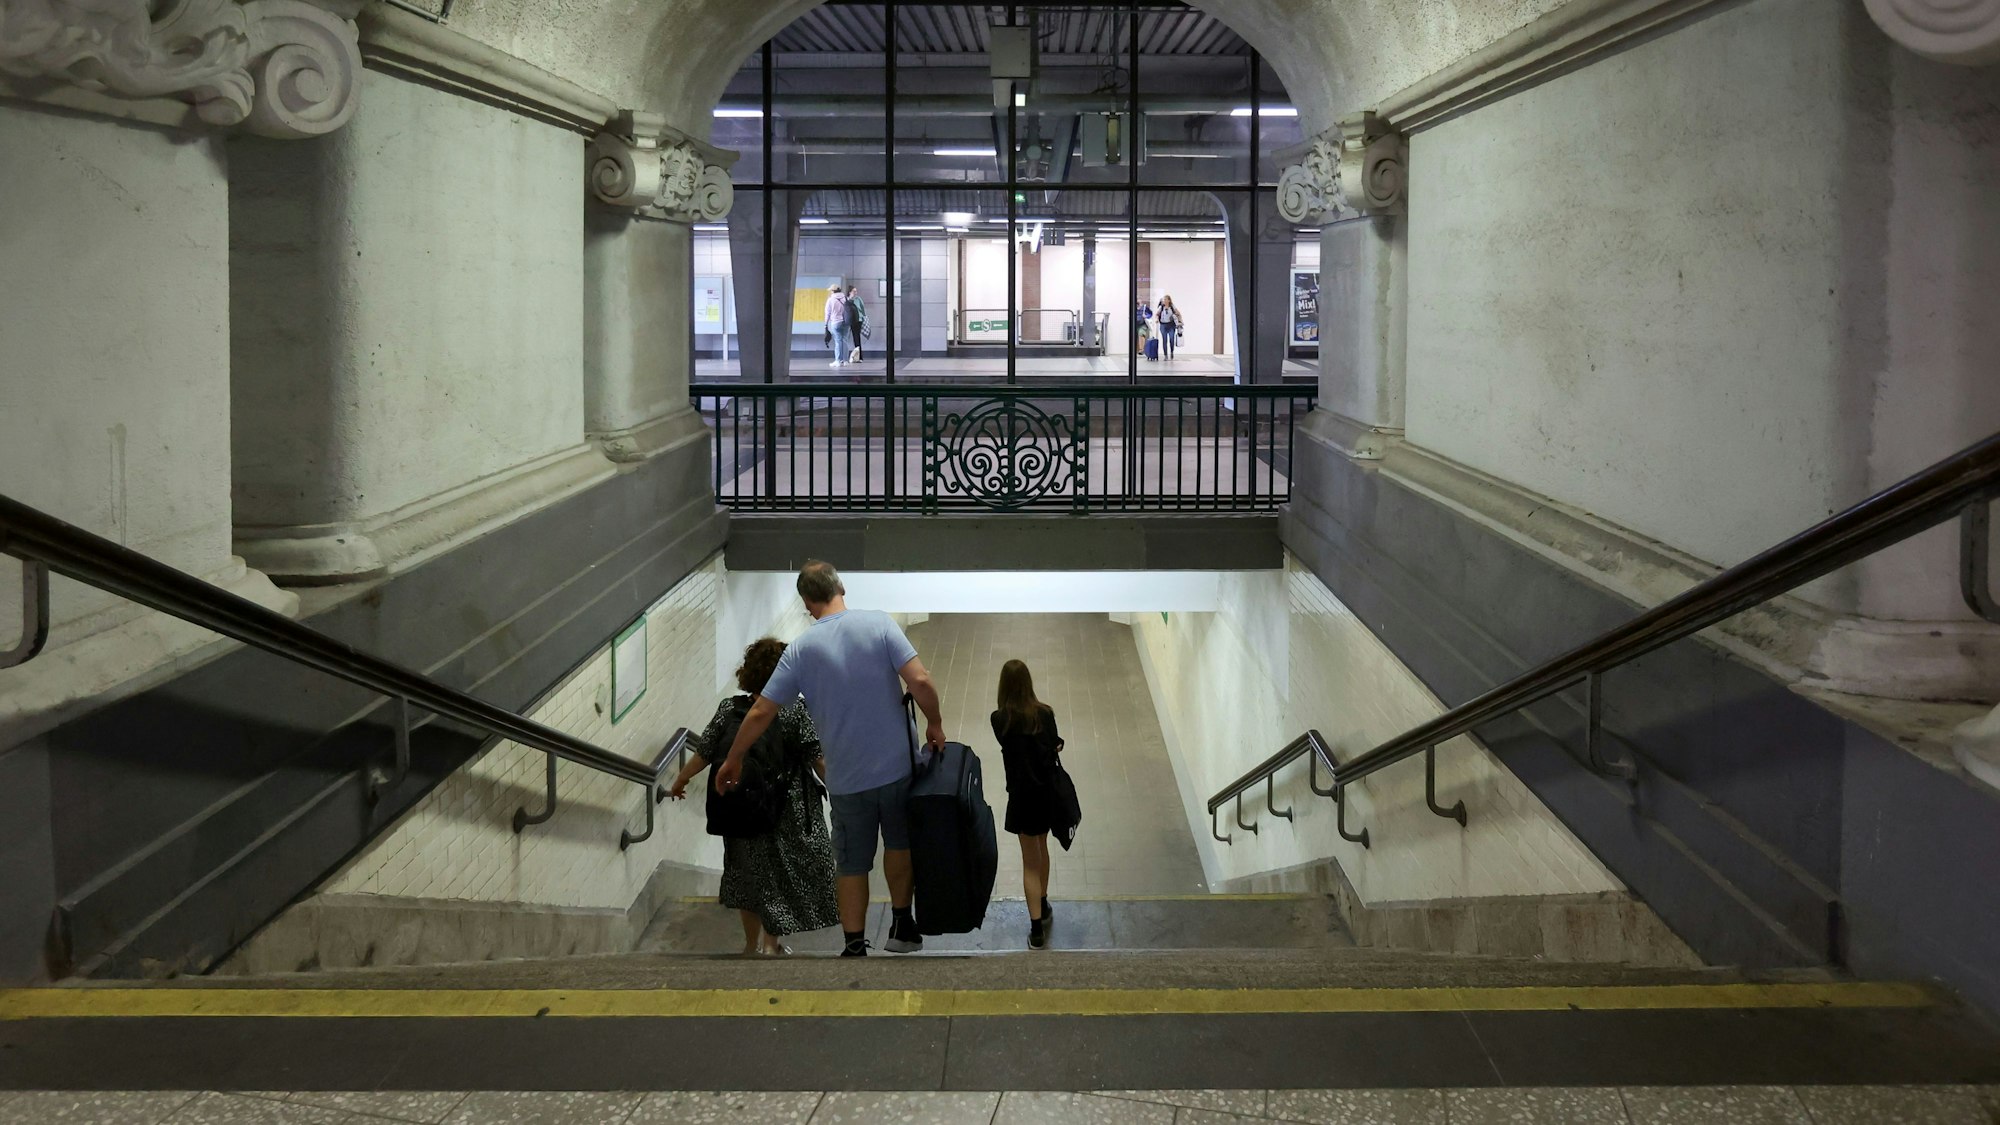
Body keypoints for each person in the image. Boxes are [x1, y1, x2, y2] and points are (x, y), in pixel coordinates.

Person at [714, 560, 947, 957]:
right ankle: (902, 927)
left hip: (846, 779)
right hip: (896, 768)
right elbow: (920, 680)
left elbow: (761, 711)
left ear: (807, 603)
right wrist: (935, 725)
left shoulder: (800, 650)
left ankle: (854, 945)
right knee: (899, 843)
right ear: (841, 588)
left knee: (852, 862)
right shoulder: (879, 624)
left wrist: (733, 758)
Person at [668, 638, 839, 956]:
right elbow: (817, 758)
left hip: (741, 808)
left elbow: (705, 751)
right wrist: (843, 791)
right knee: (779, 876)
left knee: (749, 877)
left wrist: (681, 779)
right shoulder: (794, 712)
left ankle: (751, 946)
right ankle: (771, 945)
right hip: (787, 811)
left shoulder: (730, 709)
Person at [990, 659, 1066, 950]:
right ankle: (1043, 904)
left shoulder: (1000, 720)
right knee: (1042, 848)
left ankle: (1036, 930)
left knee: (1029, 862)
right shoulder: (1044, 714)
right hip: (1045, 794)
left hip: (1021, 798)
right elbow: (1053, 744)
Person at [824, 283, 850, 368]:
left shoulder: (830, 300)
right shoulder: (845, 298)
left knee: (838, 341)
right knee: (845, 340)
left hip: (836, 322)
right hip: (846, 322)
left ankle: (838, 361)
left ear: (833, 291)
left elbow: (827, 313)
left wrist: (826, 324)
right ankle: (845, 361)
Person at [844, 284, 869, 364]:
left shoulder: (858, 299)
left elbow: (862, 309)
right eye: (854, 291)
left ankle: (859, 357)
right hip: (849, 320)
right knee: (845, 338)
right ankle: (845, 357)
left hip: (858, 320)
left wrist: (863, 317)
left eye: (856, 291)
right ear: (849, 292)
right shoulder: (846, 299)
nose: (856, 293)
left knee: (857, 338)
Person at [1155, 296, 1182, 360]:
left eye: (1165, 299)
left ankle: (1172, 352)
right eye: (1163, 299)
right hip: (1163, 325)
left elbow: (1178, 313)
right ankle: (1165, 355)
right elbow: (1157, 314)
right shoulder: (1162, 307)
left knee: (1171, 339)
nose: (1164, 301)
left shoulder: (1172, 307)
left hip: (1171, 325)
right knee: (1164, 340)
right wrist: (1156, 319)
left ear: (1169, 300)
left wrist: (1179, 321)